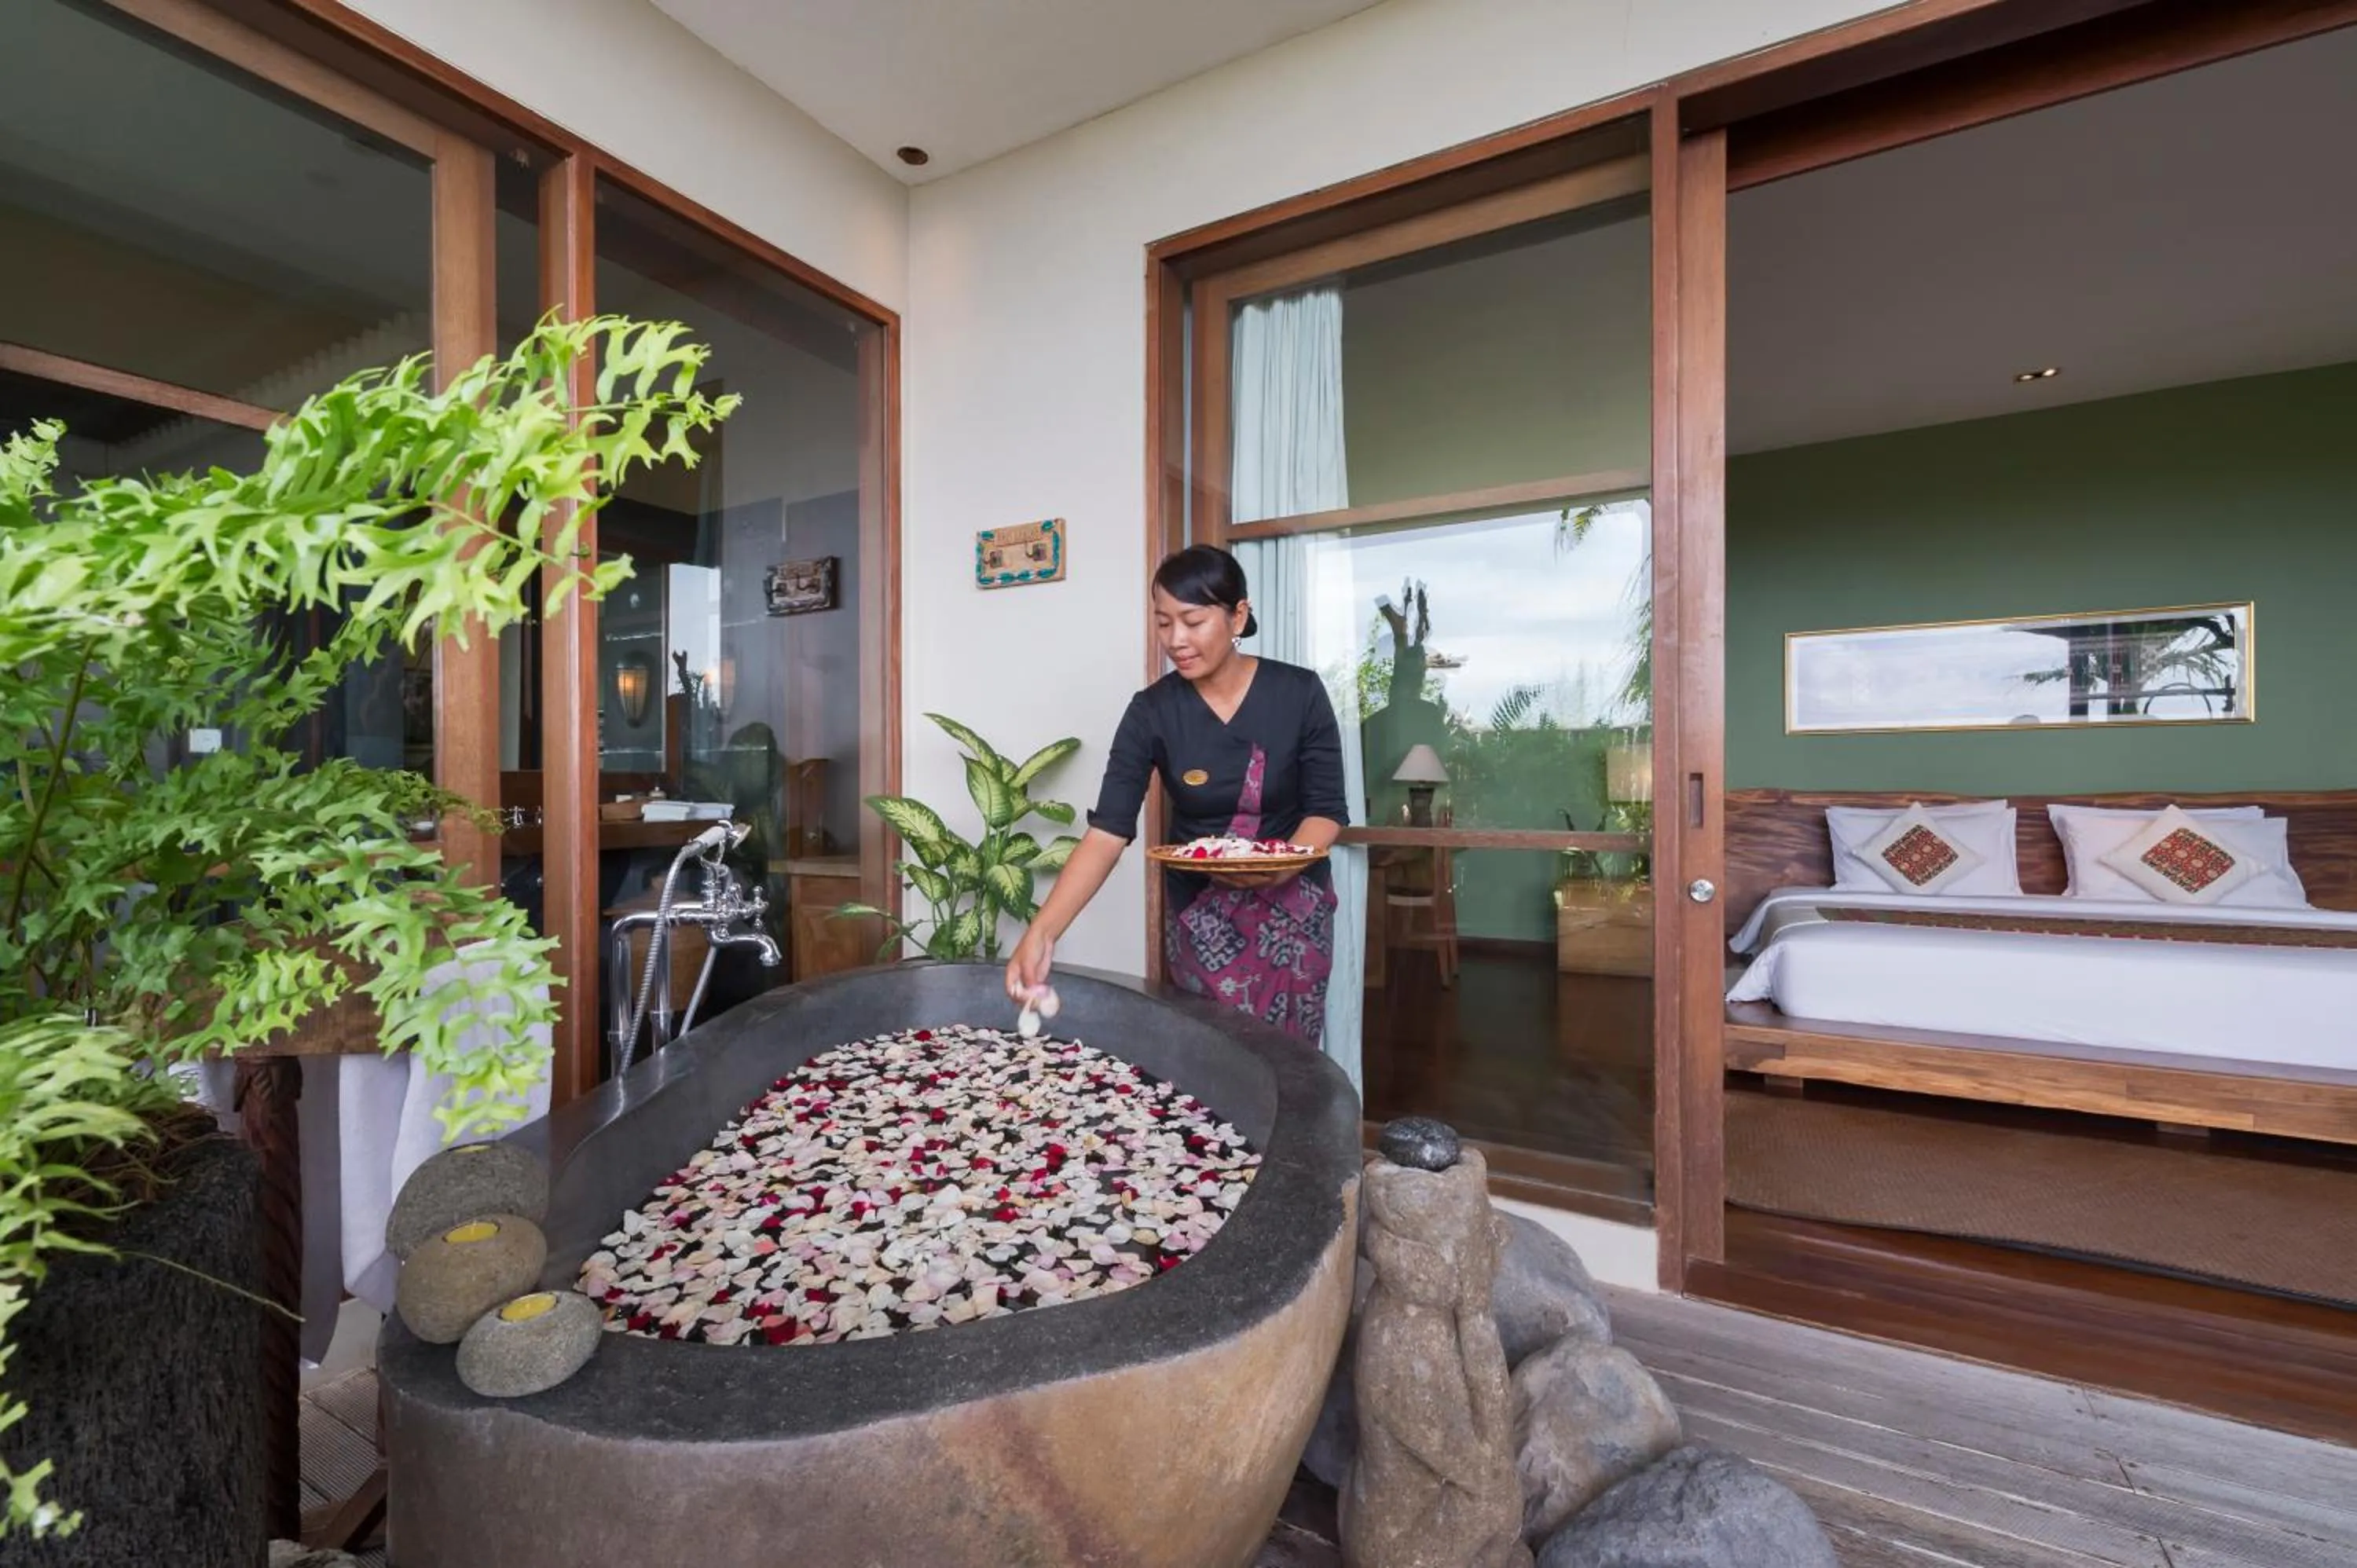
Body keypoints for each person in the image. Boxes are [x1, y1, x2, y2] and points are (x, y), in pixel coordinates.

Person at [1005, 545, 1347, 1042]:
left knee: (1288, 1063)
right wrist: (1043, 932)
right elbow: (1107, 832)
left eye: (1193, 620)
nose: (1176, 640)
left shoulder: (1299, 693)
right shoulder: (1151, 712)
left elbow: (1326, 810)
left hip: (1293, 913)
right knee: (1207, 1056)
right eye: (1163, 623)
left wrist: (1280, 864)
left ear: (1238, 615)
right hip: (1202, 920)